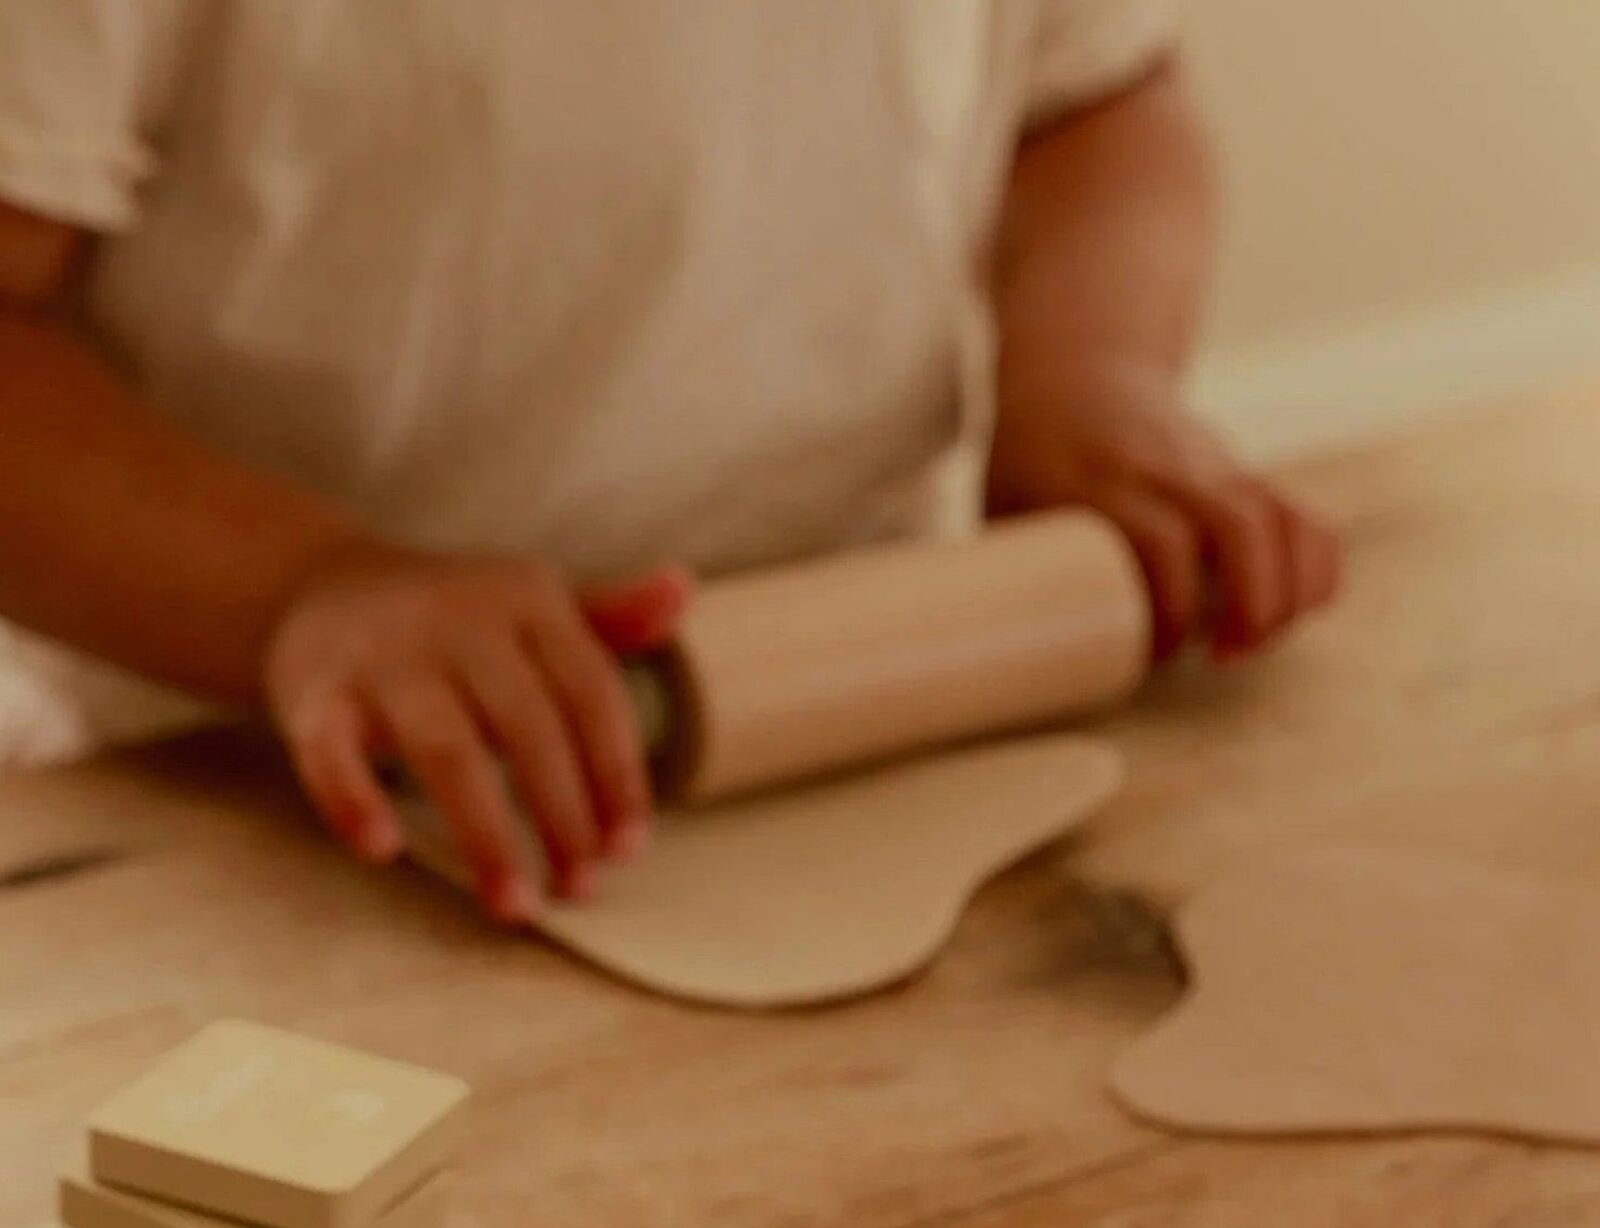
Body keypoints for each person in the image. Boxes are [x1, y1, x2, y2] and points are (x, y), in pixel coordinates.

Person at [0, 2, 1340, 924]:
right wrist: (308, 590)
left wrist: (1091, 372)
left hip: (859, 681)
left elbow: (1100, 99)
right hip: (233, 775)